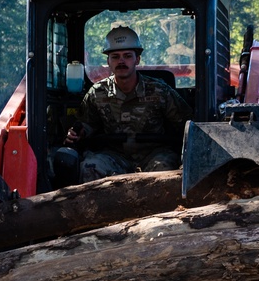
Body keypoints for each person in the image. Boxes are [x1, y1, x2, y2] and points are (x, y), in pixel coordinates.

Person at [64, 25, 193, 183]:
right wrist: (78, 133)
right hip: (113, 156)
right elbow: (86, 124)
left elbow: (186, 124)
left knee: (165, 171)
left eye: (127, 56)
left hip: (154, 154)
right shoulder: (97, 92)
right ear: (108, 62)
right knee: (90, 167)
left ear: (137, 59)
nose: (121, 61)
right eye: (115, 57)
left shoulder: (160, 91)